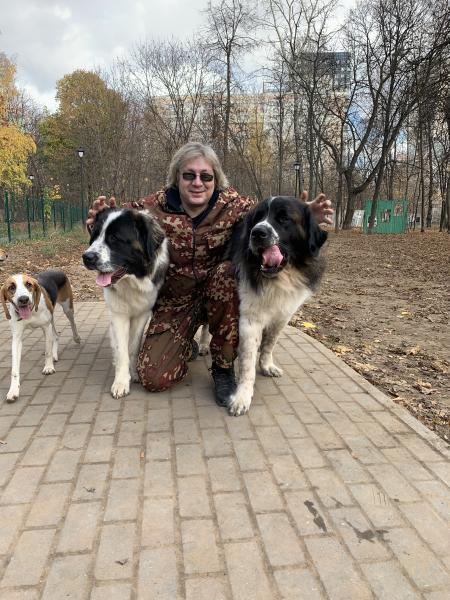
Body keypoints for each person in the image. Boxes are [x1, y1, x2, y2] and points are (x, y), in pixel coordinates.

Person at [87, 142, 333, 406]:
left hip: (220, 297)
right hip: (176, 303)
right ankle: (184, 344)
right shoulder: (151, 207)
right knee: (153, 378)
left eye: (206, 176)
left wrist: (305, 213)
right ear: (177, 177)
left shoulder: (235, 205)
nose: (197, 182)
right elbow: (116, 225)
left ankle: (223, 368)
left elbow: (272, 213)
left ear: (216, 179)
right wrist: (96, 222)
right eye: (189, 175)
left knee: (227, 273)